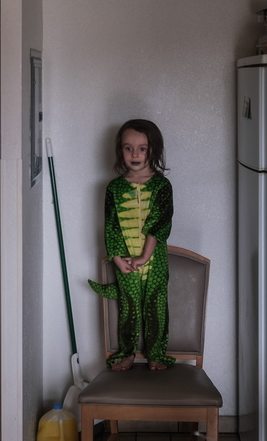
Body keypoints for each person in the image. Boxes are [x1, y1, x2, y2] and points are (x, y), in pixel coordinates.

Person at [88, 119, 176, 372]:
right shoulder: (114, 188)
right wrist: (117, 259)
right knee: (128, 308)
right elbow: (111, 226)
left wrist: (145, 257)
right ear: (120, 150)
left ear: (153, 150)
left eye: (142, 148)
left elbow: (159, 223)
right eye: (128, 148)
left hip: (154, 261)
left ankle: (155, 354)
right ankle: (127, 353)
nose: (135, 154)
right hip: (125, 262)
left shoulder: (162, 186)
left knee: (156, 307)